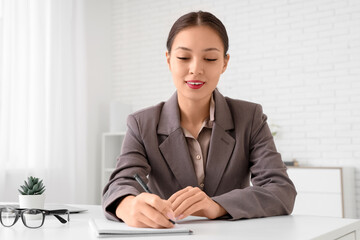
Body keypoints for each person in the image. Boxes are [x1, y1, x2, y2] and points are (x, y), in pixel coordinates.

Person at [102, 10, 296, 229]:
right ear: (168, 60)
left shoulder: (250, 117)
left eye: (210, 58)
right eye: (184, 58)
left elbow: (281, 189)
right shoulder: (141, 123)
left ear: (224, 63)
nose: (195, 69)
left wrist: (216, 206)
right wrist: (127, 205)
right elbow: (119, 184)